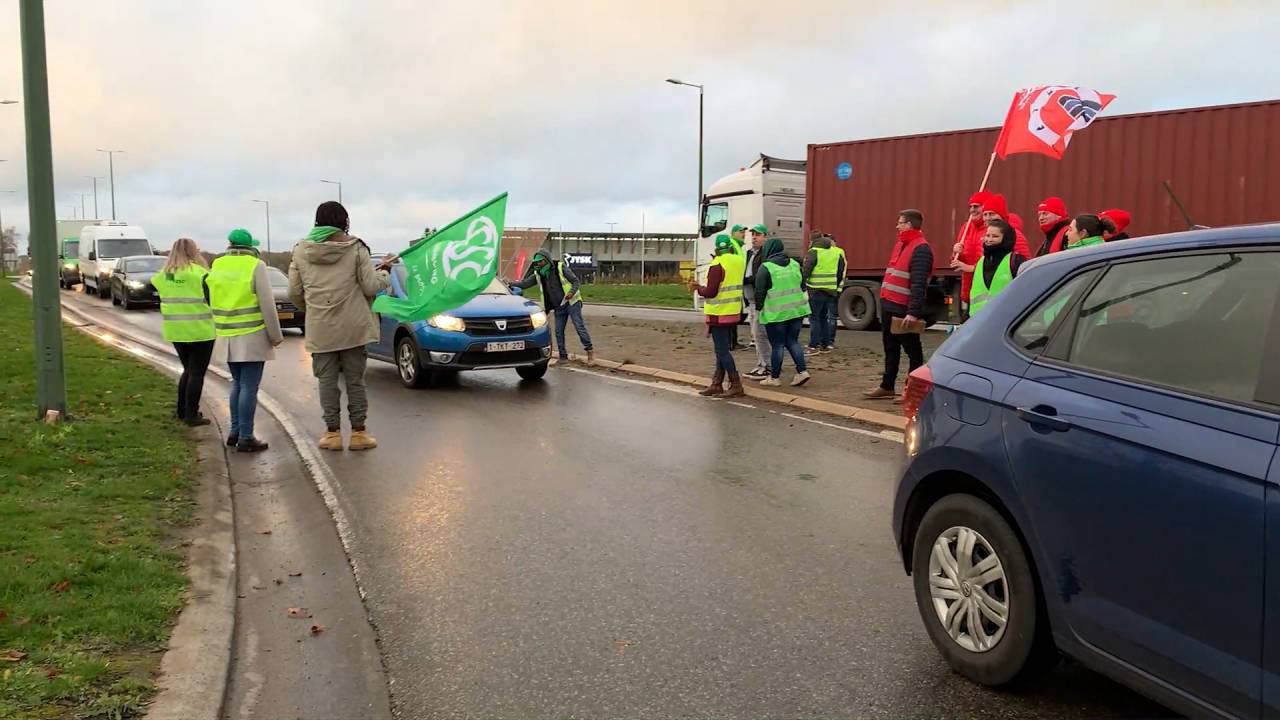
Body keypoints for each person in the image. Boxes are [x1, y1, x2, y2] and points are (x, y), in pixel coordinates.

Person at [289, 201, 393, 452]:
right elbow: (370, 286)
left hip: (321, 327)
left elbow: (294, 291)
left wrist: (313, 308)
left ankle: (332, 434)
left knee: (326, 381)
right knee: (355, 381)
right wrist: (385, 273)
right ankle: (359, 434)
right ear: (344, 220)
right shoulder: (357, 248)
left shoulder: (301, 250)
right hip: (354, 328)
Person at [205, 229, 283, 453]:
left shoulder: (217, 265)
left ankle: (235, 431)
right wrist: (275, 336)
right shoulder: (255, 265)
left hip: (226, 334)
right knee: (249, 386)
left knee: (237, 384)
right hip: (252, 336)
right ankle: (247, 437)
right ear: (251, 246)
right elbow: (268, 304)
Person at [864, 210, 932, 400]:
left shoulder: (921, 249)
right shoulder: (902, 244)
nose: (897, 226)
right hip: (889, 305)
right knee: (890, 348)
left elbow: (919, 284)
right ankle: (887, 386)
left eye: (900, 223)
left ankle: (914, 391)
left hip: (903, 308)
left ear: (910, 225)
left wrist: (913, 312)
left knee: (913, 351)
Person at [152, 237, 216, 427]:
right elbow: (212, 299)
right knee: (196, 373)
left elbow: (163, 286)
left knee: (187, 370)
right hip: (200, 330)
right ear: (193, 252)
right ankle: (191, 414)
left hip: (176, 330)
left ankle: (182, 410)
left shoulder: (166, 275)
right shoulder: (200, 273)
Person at [511, 249, 595, 363]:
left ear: (547, 260)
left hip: (572, 302)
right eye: (536, 262)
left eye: (540, 261)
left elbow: (575, 281)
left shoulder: (560, 267)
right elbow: (524, 284)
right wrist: (509, 284)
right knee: (558, 331)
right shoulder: (539, 274)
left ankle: (590, 351)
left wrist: (571, 292)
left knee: (579, 326)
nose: (538, 264)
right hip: (558, 306)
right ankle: (563, 357)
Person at [687, 235, 746, 397]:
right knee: (723, 350)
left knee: (721, 351)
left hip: (718, 312)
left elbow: (711, 292)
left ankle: (736, 384)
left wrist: (698, 288)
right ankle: (717, 383)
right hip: (733, 311)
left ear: (717, 249)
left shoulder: (717, 264)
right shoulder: (739, 262)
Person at [754, 236, 811, 387]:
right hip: (797, 311)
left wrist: (759, 309)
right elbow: (802, 284)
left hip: (776, 313)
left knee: (777, 345)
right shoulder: (794, 264)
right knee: (792, 341)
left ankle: (774, 378)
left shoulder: (766, 267)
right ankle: (802, 371)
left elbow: (759, 292)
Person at [968, 219, 1028, 317]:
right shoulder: (981, 261)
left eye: (995, 236)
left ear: (1006, 239)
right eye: (987, 235)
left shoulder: (1015, 261)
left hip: (1005, 320)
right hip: (978, 322)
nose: (989, 239)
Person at [802, 232, 845, 354]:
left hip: (816, 289)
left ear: (812, 241)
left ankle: (813, 346)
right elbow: (841, 270)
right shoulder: (835, 252)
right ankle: (825, 344)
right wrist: (834, 284)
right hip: (830, 290)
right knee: (823, 317)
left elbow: (806, 269)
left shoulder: (814, 251)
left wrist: (802, 284)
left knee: (814, 317)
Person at [952, 190, 991, 315]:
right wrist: (957, 253)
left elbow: (993, 262)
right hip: (970, 290)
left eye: (976, 206)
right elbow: (961, 260)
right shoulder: (966, 228)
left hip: (986, 289)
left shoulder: (992, 229)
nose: (972, 210)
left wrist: (970, 268)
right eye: (971, 207)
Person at [741, 225, 771, 378]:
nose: (754, 237)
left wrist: (748, 280)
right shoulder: (749, 253)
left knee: (761, 334)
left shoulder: (765, 254)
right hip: (750, 299)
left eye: (758, 235)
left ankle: (766, 366)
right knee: (755, 333)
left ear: (765, 236)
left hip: (761, 300)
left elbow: (761, 275)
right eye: (753, 234)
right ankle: (760, 364)